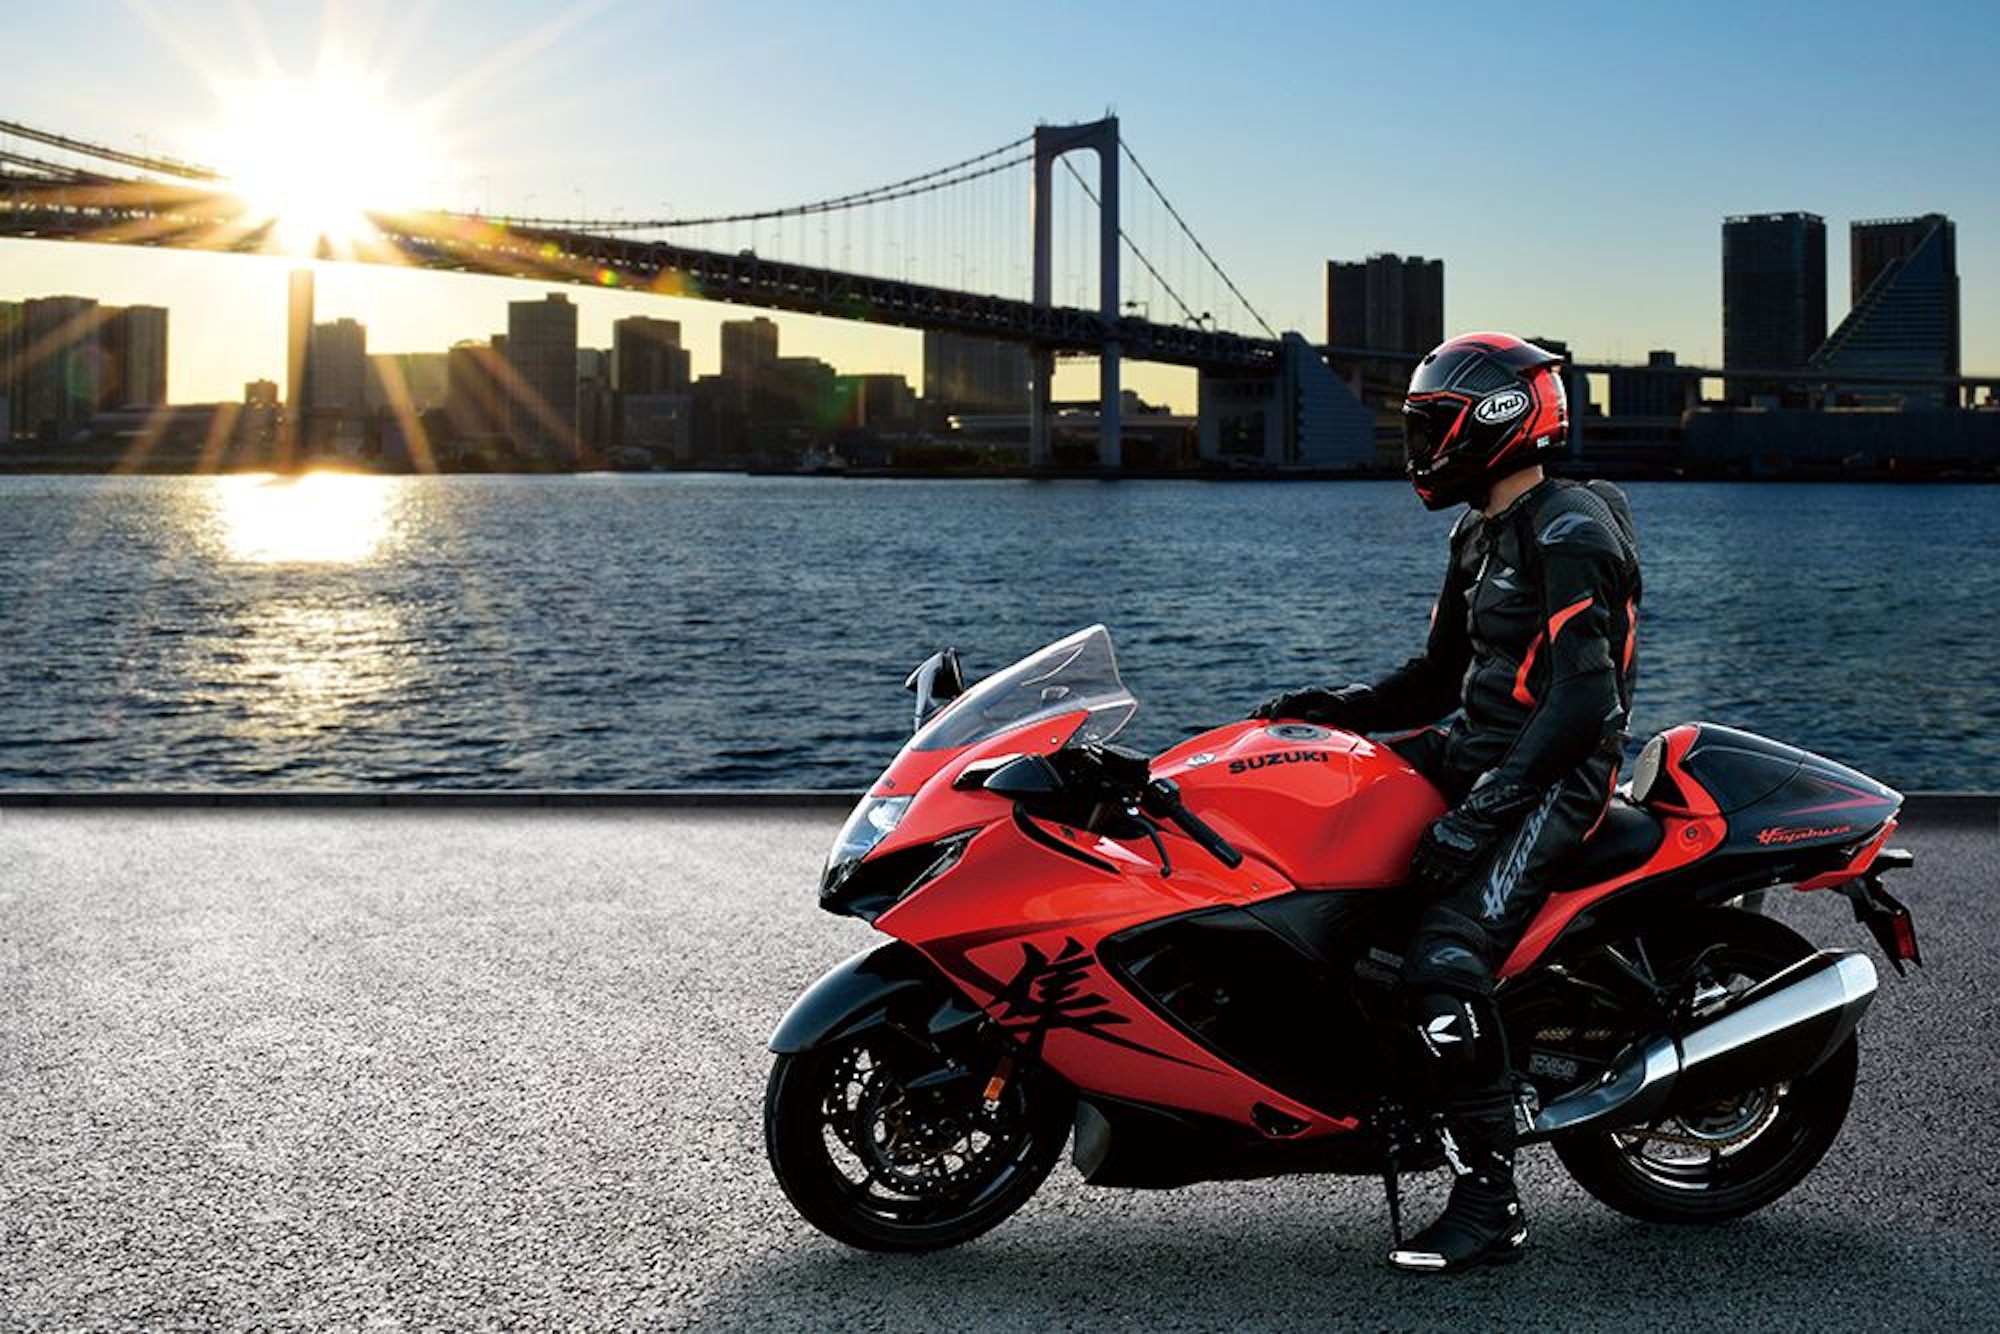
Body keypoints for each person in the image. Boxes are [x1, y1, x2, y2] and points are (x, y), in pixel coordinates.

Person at [1252, 332, 1640, 1274]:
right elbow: (1439, 675)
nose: (1418, 445)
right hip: (1475, 750)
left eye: (1432, 426)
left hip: (1556, 773)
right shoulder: (1479, 529)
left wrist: (1480, 812)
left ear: (1494, 422)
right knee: (1305, 812)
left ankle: (1490, 1208)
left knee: (1443, 955)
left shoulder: (1570, 531)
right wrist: (1333, 709)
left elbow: (1586, 702)